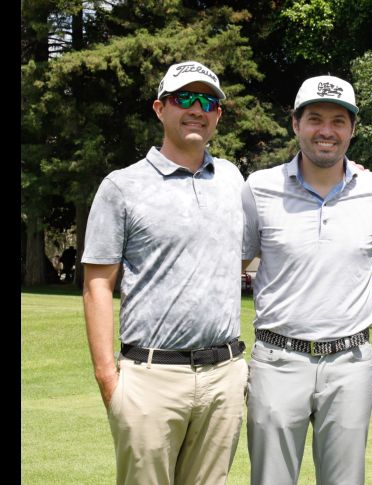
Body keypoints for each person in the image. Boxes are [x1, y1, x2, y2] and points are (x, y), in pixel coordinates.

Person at [82, 60, 248, 485]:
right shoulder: (121, 186)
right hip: (150, 379)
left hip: (223, 378)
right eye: (184, 98)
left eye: (207, 102)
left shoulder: (233, 179)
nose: (196, 109)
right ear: (160, 108)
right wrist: (108, 379)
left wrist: (350, 169)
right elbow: (97, 285)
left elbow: (246, 254)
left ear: (218, 115)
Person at [241, 75, 372, 485]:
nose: (327, 130)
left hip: (349, 364)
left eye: (339, 121)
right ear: (296, 123)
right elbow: (238, 260)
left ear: (353, 129)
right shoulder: (259, 187)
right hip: (277, 360)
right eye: (315, 119)